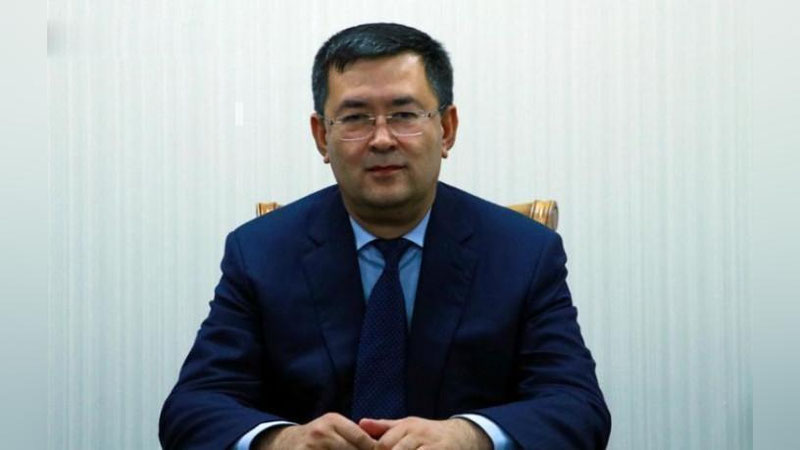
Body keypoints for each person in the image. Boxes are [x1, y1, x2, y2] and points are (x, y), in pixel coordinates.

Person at [159, 23, 611, 450]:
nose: (381, 139)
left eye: (404, 114)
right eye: (355, 118)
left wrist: (470, 436)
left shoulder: (523, 253)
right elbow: (193, 407)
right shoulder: (260, 251)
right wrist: (282, 441)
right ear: (321, 136)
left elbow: (576, 406)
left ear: (447, 129)